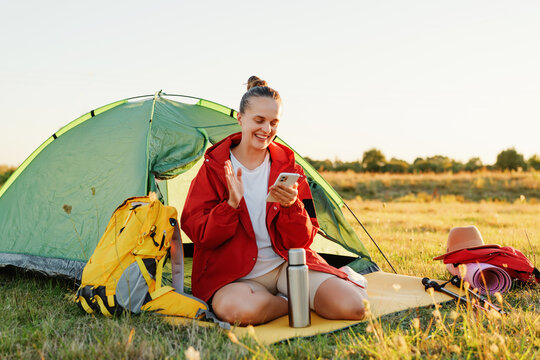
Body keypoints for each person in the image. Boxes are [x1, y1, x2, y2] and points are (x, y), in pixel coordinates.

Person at [181, 76, 367, 325]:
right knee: (237, 312)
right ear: (240, 118)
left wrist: (292, 207)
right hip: (234, 277)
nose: (267, 130)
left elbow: (303, 240)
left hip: (285, 267)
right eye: (259, 120)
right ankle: (290, 301)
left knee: (353, 307)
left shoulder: (290, 169)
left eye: (274, 122)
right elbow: (198, 233)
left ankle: (294, 292)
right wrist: (230, 207)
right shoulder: (215, 168)